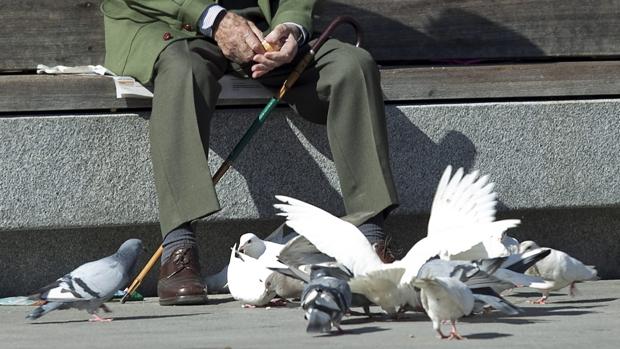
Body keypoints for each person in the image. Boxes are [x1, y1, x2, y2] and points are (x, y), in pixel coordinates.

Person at [101, 0, 399, 306]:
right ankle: (179, 248)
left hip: (260, 32)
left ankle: (368, 245)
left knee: (353, 67)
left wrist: (291, 26)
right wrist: (213, 20)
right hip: (170, 26)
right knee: (182, 71)